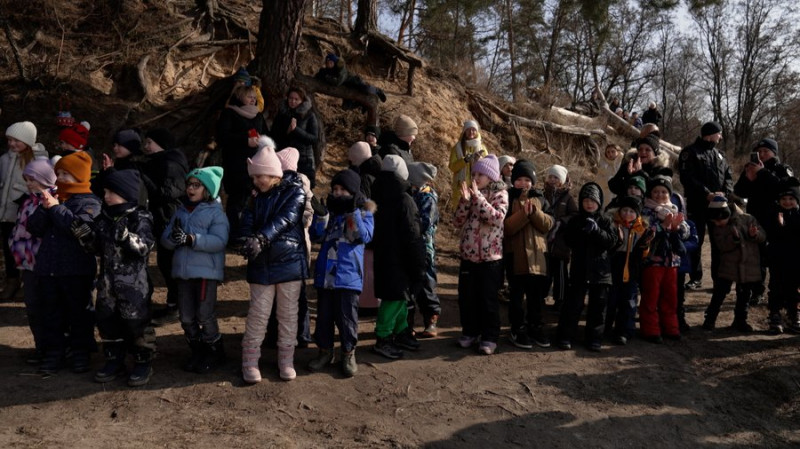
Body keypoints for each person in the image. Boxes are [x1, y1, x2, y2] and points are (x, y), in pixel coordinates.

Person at [74, 169, 156, 386]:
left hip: (134, 287)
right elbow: (97, 248)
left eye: (111, 192)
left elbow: (145, 246)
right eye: (105, 191)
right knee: (107, 321)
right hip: (107, 284)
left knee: (135, 323)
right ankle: (113, 359)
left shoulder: (140, 216)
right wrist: (85, 236)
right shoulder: (104, 217)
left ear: (126, 194)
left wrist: (128, 238)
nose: (106, 196)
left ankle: (142, 360)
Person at [238, 138, 307, 383]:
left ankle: (286, 360)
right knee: (258, 314)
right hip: (262, 264)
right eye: (254, 177)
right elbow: (246, 219)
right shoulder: (255, 196)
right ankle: (249, 360)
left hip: (288, 261)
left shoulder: (295, 191)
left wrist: (261, 238)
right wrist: (246, 238)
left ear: (273, 175)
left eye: (260, 176)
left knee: (288, 315)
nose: (256, 181)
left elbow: (286, 219)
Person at [28, 151, 101, 374]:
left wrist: (55, 208)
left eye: (65, 174)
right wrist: (45, 207)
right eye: (58, 173)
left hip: (76, 270)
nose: (60, 179)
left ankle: (80, 352)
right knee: (51, 314)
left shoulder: (90, 201)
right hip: (49, 268)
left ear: (78, 177)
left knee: (79, 313)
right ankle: (53, 353)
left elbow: (79, 229)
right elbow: (34, 227)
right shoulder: (55, 198)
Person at [161, 167, 229, 373]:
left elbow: (220, 240)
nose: (190, 188)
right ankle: (197, 351)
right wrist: (173, 238)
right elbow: (165, 239)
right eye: (189, 184)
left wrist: (192, 239)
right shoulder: (180, 211)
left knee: (204, 315)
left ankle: (214, 352)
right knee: (186, 316)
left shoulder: (216, 213)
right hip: (183, 273)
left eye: (196, 185)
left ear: (207, 189)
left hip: (205, 274)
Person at [308, 169, 375, 377]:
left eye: (343, 190)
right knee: (324, 318)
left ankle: (348, 353)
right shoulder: (331, 212)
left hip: (348, 277)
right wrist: (320, 216)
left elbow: (361, 236)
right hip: (326, 276)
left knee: (347, 319)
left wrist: (352, 211)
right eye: (335, 189)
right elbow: (317, 235)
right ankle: (325, 352)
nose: (337, 194)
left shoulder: (364, 212)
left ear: (353, 192)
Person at [371, 155, 425, 359]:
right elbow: (413, 234)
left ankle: (401, 331)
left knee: (400, 296)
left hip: (383, 255)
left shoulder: (375, 195)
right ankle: (383, 337)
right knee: (394, 298)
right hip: (401, 257)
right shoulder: (404, 199)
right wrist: (419, 263)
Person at [453, 155, 508, 355]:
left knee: (488, 299)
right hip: (468, 255)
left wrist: (478, 198)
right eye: (474, 173)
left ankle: (489, 336)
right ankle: (470, 332)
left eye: (480, 174)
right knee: (467, 297)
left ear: (491, 177)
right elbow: (457, 221)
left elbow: (496, 218)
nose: (475, 177)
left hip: (490, 258)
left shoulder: (500, 194)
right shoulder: (472, 192)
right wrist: (465, 201)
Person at [555, 182, 618, 351]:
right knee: (573, 304)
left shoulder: (606, 220)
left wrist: (597, 231)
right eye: (586, 200)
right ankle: (565, 336)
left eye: (593, 201)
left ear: (599, 202)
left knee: (598, 306)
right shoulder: (576, 220)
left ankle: (594, 339)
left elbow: (612, 242)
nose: (589, 204)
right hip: (579, 269)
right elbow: (569, 241)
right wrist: (581, 231)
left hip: (601, 271)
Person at [733, 138, 793, 304]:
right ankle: (757, 291)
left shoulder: (782, 169)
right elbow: (739, 191)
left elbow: (787, 189)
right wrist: (748, 177)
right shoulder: (751, 168)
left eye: (766, 151)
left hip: (776, 220)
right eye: (759, 152)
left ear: (774, 152)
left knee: (776, 258)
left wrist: (762, 173)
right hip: (755, 218)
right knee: (756, 257)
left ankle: (778, 292)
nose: (762, 154)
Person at [8, 159, 57, 364]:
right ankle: (41, 347)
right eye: (27, 179)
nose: (28, 183)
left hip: (46, 264)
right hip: (27, 263)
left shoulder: (53, 200)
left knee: (49, 307)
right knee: (33, 307)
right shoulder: (28, 201)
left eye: (32, 180)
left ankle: (55, 348)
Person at [141, 128, 189, 325]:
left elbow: (168, 193)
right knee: (165, 262)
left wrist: (145, 179)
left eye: (150, 142)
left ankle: (177, 307)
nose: (146, 146)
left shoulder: (171, 164)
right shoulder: (160, 162)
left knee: (171, 263)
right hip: (164, 217)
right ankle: (173, 304)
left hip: (171, 219)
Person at [503, 159, 553, 349]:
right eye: (519, 179)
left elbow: (548, 224)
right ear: (513, 180)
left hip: (538, 257)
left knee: (536, 298)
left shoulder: (540, 199)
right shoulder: (507, 198)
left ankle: (536, 327)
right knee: (516, 297)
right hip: (515, 256)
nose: (523, 183)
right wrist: (524, 214)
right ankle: (517, 329)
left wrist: (534, 213)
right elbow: (506, 228)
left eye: (527, 179)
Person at [678, 121, 733, 290]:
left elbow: (729, 178)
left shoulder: (720, 155)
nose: (721, 137)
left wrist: (725, 193)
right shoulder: (690, 152)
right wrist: (706, 193)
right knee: (696, 241)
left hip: (719, 206)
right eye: (719, 133)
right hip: (698, 204)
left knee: (719, 242)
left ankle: (718, 280)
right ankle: (695, 278)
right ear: (710, 134)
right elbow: (687, 177)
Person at [700, 195, 764, 332]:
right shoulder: (717, 228)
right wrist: (733, 238)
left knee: (744, 295)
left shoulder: (747, 219)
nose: (717, 223)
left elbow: (762, 236)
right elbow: (722, 246)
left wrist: (754, 235)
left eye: (719, 220)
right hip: (728, 266)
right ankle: (710, 319)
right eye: (714, 221)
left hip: (748, 265)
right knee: (719, 293)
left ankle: (740, 321)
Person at [639, 174, 689, 343]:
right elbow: (644, 233)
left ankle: (671, 328)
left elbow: (686, 232)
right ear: (650, 194)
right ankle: (651, 330)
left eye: (664, 192)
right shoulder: (645, 210)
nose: (660, 195)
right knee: (651, 297)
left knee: (670, 297)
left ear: (670, 194)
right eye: (656, 192)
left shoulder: (675, 210)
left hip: (672, 262)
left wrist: (676, 228)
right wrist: (661, 227)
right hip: (653, 261)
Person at [1, 121, 48, 300]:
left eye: (16, 140)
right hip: (6, 213)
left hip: (27, 213)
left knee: (27, 247)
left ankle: (28, 280)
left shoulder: (38, 159)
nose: (12, 144)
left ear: (28, 141)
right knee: (8, 247)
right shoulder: (4, 159)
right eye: (9, 140)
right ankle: (11, 280)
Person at [216, 84, 267, 232]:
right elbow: (223, 136)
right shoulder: (229, 113)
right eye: (249, 97)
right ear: (240, 97)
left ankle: (247, 232)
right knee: (236, 199)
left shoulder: (258, 115)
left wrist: (262, 139)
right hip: (235, 164)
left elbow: (266, 132)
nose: (252, 100)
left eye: (254, 97)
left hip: (255, 163)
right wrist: (245, 140)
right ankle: (234, 234)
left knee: (252, 198)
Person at [605, 196, 648, 345]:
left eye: (631, 211)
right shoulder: (612, 224)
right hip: (614, 265)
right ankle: (605, 327)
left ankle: (624, 331)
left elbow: (645, 253)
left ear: (637, 214)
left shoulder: (642, 229)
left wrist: (645, 247)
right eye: (624, 210)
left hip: (632, 268)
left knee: (629, 301)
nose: (627, 214)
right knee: (611, 299)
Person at [406, 161, 441, 338]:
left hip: (424, 247)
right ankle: (408, 322)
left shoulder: (428, 197)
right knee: (410, 285)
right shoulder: (411, 194)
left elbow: (425, 222)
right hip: (411, 245)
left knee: (426, 283)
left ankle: (431, 319)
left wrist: (411, 227)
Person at [542, 165, 578, 312]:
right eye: (550, 176)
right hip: (545, 240)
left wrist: (562, 221)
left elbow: (575, 215)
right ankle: (541, 296)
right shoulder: (543, 194)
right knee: (545, 272)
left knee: (561, 274)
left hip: (561, 240)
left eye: (556, 177)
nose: (552, 180)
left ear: (562, 181)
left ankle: (560, 299)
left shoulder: (568, 197)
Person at [766, 178, 800, 334]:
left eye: (791, 199)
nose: (787, 202)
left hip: (795, 260)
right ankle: (775, 315)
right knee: (776, 288)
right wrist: (779, 225)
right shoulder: (774, 214)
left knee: (794, 289)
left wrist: (786, 225)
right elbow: (771, 235)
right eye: (784, 199)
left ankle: (794, 315)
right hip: (777, 259)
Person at [270, 86, 320, 188]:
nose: (292, 101)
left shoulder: (309, 115)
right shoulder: (282, 113)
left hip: (303, 160)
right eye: (290, 98)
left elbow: (314, 138)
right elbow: (273, 135)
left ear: (302, 100)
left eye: (296, 99)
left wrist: (296, 130)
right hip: (284, 158)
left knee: (304, 190)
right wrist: (287, 132)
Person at [608, 133, 671, 198]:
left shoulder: (661, 170)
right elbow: (613, 186)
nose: (643, 152)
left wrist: (641, 173)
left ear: (654, 153)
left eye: (647, 150)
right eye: (640, 149)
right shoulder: (630, 164)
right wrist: (629, 176)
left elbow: (656, 191)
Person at [313, 53, 387, 108]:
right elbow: (317, 77)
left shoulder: (341, 69)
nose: (328, 64)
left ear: (334, 63)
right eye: (327, 62)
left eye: (331, 62)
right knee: (347, 107)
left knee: (367, 89)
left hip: (355, 82)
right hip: (346, 87)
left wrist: (327, 77)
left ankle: (377, 90)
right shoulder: (326, 70)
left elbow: (337, 82)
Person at [448, 120, 488, 207]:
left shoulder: (482, 148)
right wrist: (464, 160)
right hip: (461, 187)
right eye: (468, 130)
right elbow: (452, 167)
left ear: (477, 131)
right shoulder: (457, 148)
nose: (471, 132)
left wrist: (479, 160)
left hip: (478, 187)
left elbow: (488, 168)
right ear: (464, 131)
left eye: (473, 130)